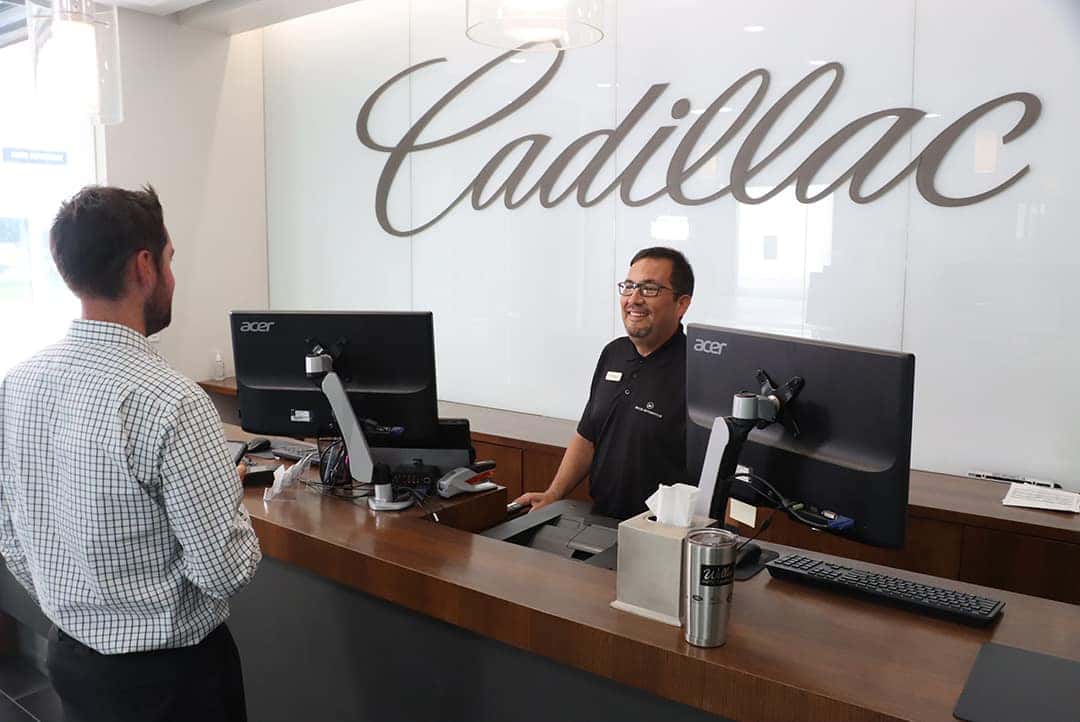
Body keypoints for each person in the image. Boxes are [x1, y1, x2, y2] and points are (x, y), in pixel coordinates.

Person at [0, 185, 261, 722]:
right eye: (168, 260)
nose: (171, 276)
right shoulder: (172, 401)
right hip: (172, 682)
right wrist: (222, 495)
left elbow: (12, 537)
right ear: (145, 266)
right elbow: (226, 569)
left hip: (71, 660)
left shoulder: (17, 385)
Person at [514, 247, 694, 520]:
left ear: (681, 304)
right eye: (629, 286)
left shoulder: (698, 369)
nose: (634, 299)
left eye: (649, 289)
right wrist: (553, 493)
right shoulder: (614, 353)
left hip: (662, 534)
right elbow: (588, 436)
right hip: (600, 520)